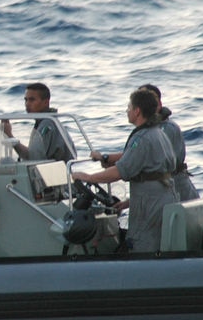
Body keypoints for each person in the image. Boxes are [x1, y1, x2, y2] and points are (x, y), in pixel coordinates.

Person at [72, 89, 178, 253]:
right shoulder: (158, 133)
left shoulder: (142, 138)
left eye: (129, 107)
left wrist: (88, 177)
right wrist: (128, 203)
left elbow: (119, 172)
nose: (127, 111)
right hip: (161, 195)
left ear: (137, 111)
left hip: (150, 203)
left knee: (143, 243)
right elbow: (153, 171)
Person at [91, 84, 199, 202]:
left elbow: (137, 158)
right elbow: (139, 160)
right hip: (160, 193)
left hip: (180, 194)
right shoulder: (151, 131)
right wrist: (129, 202)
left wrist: (102, 163)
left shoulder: (165, 130)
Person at [2, 82, 76, 162]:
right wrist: (9, 135)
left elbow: (33, 159)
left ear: (45, 102)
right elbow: (32, 155)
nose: (27, 104)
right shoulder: (46, 121)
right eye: (26, 100)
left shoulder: (47, 125)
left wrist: (10, 135)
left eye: (32, 100)